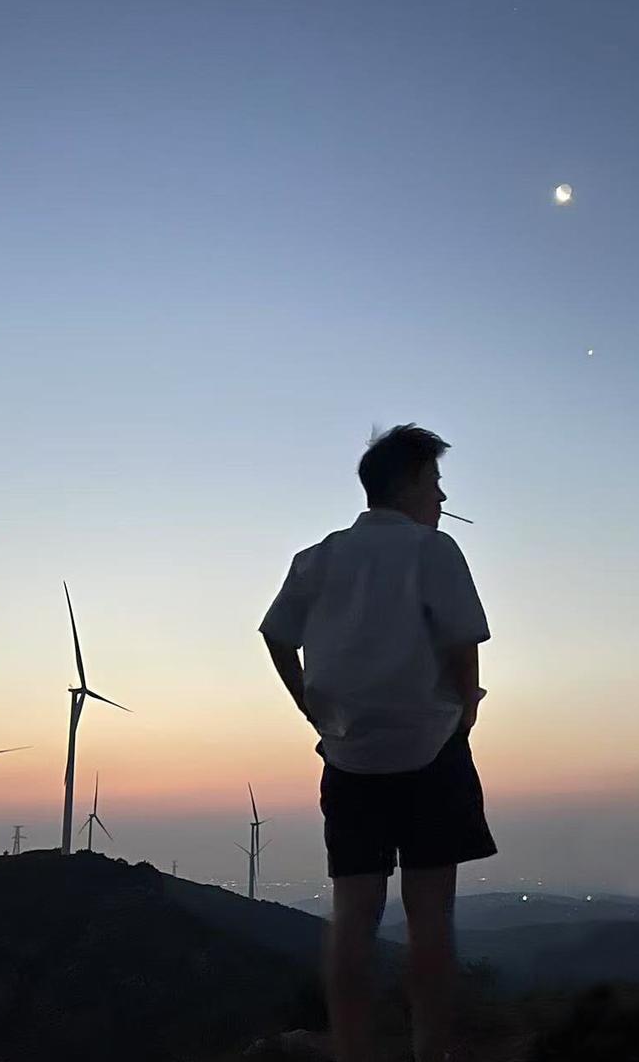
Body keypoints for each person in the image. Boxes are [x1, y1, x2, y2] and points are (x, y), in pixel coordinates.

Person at [259, 423, 496, 1062]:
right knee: (429, 919)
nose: (443, 498)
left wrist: (310, 705)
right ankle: (430, 1052)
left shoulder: (318, 556)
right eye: (437, 483)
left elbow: (276, 635)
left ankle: (353, 1052)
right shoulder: (433, 550)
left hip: (347, 755)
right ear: (414, 483)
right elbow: (461, 646)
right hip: (431, 750)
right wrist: (466, 710)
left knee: (354, 915)